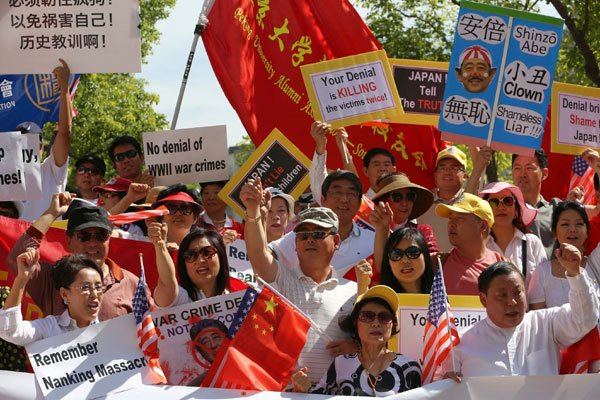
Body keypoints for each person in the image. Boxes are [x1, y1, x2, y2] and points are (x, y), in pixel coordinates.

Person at [242, 178, 358, 383]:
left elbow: (373, 343)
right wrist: (253, 212)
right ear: (295, 243)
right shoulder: (282, 280)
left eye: (319, 233)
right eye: (303, 235)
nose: (310, 239)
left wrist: (355, 349)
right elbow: (259, 255)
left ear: (337, 241)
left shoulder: (354, 292)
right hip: (286, 394)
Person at [442, 258, 599, 380]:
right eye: (502, 295)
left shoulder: (546, 323)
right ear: (483, 299)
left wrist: (575, 273)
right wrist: (447, 383)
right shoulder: (461, 344)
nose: (512, 302)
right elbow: (443, 387)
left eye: (518, 293)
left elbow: (585, 318)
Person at [7, 192, 151, 321]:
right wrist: (51, 213)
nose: (93, 243)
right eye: (84, 236)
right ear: (69, 241)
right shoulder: (51, 277)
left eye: (101, 236)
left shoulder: (132, 283)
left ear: (109, 239)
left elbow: (152, 328)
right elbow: (17, 258)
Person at [292, 285, 421, 395]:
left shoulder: (409, 367)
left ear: (392, 324)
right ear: (355, 323)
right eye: (367, 316)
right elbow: (317, 398)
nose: (376, 323)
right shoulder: (340, 364)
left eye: (384, 317)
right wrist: (303, 389)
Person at [273, 170, 375, 277]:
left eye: (351, 194)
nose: (344, 199)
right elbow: (265, 258)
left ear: (360, 202)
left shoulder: (374, 240)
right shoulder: (303, 236)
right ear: (323, 200)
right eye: (337, 193)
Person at [0, 249, 103, 346]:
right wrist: (22, 278)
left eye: (99, 287)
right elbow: (10, 331)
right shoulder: (49, 329)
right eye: (85, 287)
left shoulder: (110, 332)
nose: (95, 294)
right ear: (64, 294)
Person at [19, 59, 72, 222]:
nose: (29, 148)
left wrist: (64, 88)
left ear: (43, 148)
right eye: (21, 143)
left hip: (46, 247)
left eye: (35, 143)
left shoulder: (51, 171)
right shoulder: (5, 178)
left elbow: (64, 132)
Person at [148, 225, 245, 308]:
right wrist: (160, 246)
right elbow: (167, 283)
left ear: (221, 256)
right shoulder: (179, 299)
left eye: (207, 252)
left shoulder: (238, 300)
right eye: (191, 255)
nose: (200, 260)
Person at [478, 182, 546, 289]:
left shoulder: (532, 243)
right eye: (494, 202)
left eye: (507, 201)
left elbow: (544, 286)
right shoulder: (479, 247)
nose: (501, 207)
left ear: (516, 209)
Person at [528, 202, 595, 309]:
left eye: (579, 224)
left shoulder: (596, 263)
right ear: (554, 233)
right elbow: (539, 320)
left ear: (587, 231)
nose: (572, 229)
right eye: (565, 224)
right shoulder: (542, 273)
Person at [435, 193, 504, 295]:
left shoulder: (503, 266)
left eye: (459, 218)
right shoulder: (436, 264)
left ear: (483, 226)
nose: (451, 224)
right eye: (450, 218)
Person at [370, 173, 438, 270]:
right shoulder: (367, 230)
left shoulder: (422, 230)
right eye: (397, 197)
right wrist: (382, 229)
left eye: (410, 197)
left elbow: (435, 262)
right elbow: (381, 268)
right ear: (384, 201)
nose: (405, 203)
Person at [418, 146, 472, 252]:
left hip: (463, 267)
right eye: (442, 168)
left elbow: (479, 169)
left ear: (464, 175)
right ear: (435, 175)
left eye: (454, 168)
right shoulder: (423, 203)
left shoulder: (472, 201)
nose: (447, 172)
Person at [512, 149, 561, 258]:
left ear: (544, 173)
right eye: (517, 168)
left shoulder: (556, 210)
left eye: (529, 168)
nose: (522, 174)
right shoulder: (504, 209)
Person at [379, 228, 435, 294]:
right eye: (396, 254)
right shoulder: (381, 302)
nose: (405, 260)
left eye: (412, 252)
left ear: (425, 256)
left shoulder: (443, 298)